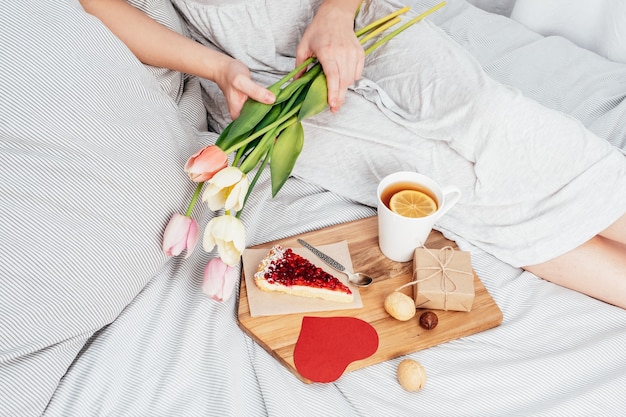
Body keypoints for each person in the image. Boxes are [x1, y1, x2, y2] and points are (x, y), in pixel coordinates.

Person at [79, 0, 626, 309]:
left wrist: (337, 18)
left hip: (350, 16)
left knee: (486, 115)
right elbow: (101, 8)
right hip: (261, 80)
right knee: (430, 183)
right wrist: (217, 69)